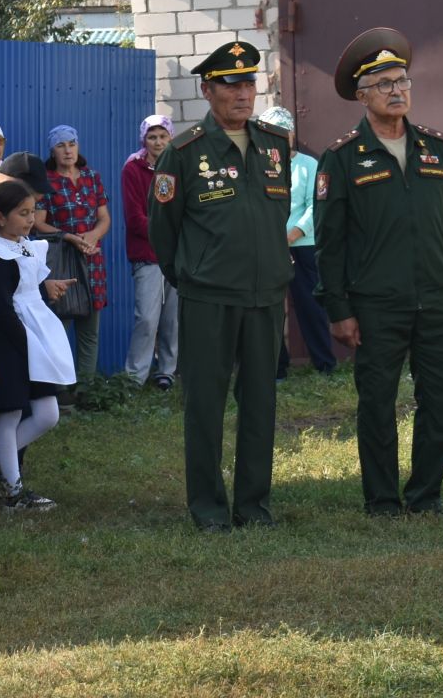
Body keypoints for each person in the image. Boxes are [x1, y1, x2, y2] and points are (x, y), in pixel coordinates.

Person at [317, 28, 443, 518]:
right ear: (362, 95)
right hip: (376, 303)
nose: (396, 91)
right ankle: (383, 499)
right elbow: (330, 242)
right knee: (377, 403)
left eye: (402, 81)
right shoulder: (343, 158)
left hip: (439, 298)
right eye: (383, 84)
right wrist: (339, 310)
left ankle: (426, 495)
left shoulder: (437, 150)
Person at [148, 38, 294, 532]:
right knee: (206, 407)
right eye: (231, 85)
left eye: (249, 83)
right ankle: (209, 509)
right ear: (208, 91)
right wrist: (191, 276)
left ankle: (254, 507)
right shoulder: (184, 152)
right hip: (208, 298)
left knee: (260, 404)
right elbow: (163, 232)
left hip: (266, 298)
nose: (243, 93)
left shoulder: (275, 145)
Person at [0, 180, 75, 510]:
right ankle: (12, 488)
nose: (30, 219)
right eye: (23, 213)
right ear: (0, 218)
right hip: (10, 338)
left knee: (47, 413)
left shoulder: (27, 245)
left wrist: (45, 296)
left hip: (35, 333)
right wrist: (25, 342)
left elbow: (29, 290)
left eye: (33, 212)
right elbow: (3, 305)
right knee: (10, 411)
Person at [255, 107, 336, 380]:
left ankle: (324, 365)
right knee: (271, 308)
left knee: (310, 306)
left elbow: (317, 206)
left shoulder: (309, 165)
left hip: (303, 244)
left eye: (283, 132)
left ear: (291, 133)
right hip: (267, 247)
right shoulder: (257, 167)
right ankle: (278, 368)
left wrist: (292, 235)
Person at [40, 126, 111, 385]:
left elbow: (104, 218)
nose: (67, 150)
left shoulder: (92, 177)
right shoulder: (46, 181)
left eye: (71, 143)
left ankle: (85, 389)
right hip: (64, 261)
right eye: (61, 145)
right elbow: (39, 223)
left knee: (90, 331)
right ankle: (60, 389)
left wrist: (93, 236)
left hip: (92, 261)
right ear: (52, 150)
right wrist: (69, 237)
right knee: (61, 327)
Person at [120, 115, 180, 391]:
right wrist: (168, 232)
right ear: (143, 139)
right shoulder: (132, 169)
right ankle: (134, 377)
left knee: (173, 316)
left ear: (170, 137)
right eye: (152, 137)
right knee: (146, 317)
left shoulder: (179, 165)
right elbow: (134, 217)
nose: (158, 142)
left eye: (163, 136)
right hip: (147, 253)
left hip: (178, 254)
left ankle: (167, 370)